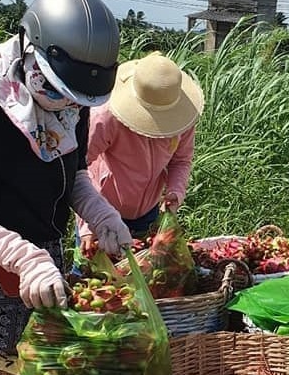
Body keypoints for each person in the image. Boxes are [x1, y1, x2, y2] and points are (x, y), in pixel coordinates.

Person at [0, 0, 133, 355]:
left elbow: (74, 173)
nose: (69, 105)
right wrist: (24, 258)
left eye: (79, 99)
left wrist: (101, 215)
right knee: (9, 355)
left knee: (55, 353)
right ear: (29, 46)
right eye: (58, 89)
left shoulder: (72, 107)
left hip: (46, 246)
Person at [77, 51, 204, 251]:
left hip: (147, 212)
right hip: (102, 212)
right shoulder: (107, 117)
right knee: (92, 276)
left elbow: (181, 160)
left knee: (142, 275)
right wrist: (87, 224)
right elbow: (79, 167)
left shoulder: (183, 121)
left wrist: (174, 192)